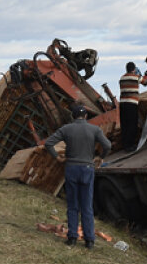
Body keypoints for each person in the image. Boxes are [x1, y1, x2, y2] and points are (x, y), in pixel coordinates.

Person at [44, 105, 112, 249]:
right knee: (87, 206)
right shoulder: (95, 129)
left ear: (73, 116)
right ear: (86, 116)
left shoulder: (66, 129)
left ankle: (72, 238)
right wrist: (100, 157)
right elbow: (107, 145)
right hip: (87, 168)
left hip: (71, 168)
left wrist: (57, 157)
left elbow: (49, 143)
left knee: (73, 205)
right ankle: (89, 241)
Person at [119, 61, 142, 151]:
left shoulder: (121, 78)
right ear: (134, 69)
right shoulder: (136, 77)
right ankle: (130, 146)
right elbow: (146, 82)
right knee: (132, 124)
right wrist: (140, 75)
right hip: (131, 104)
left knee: (125, 125)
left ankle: (125, 145)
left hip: (122, 104)